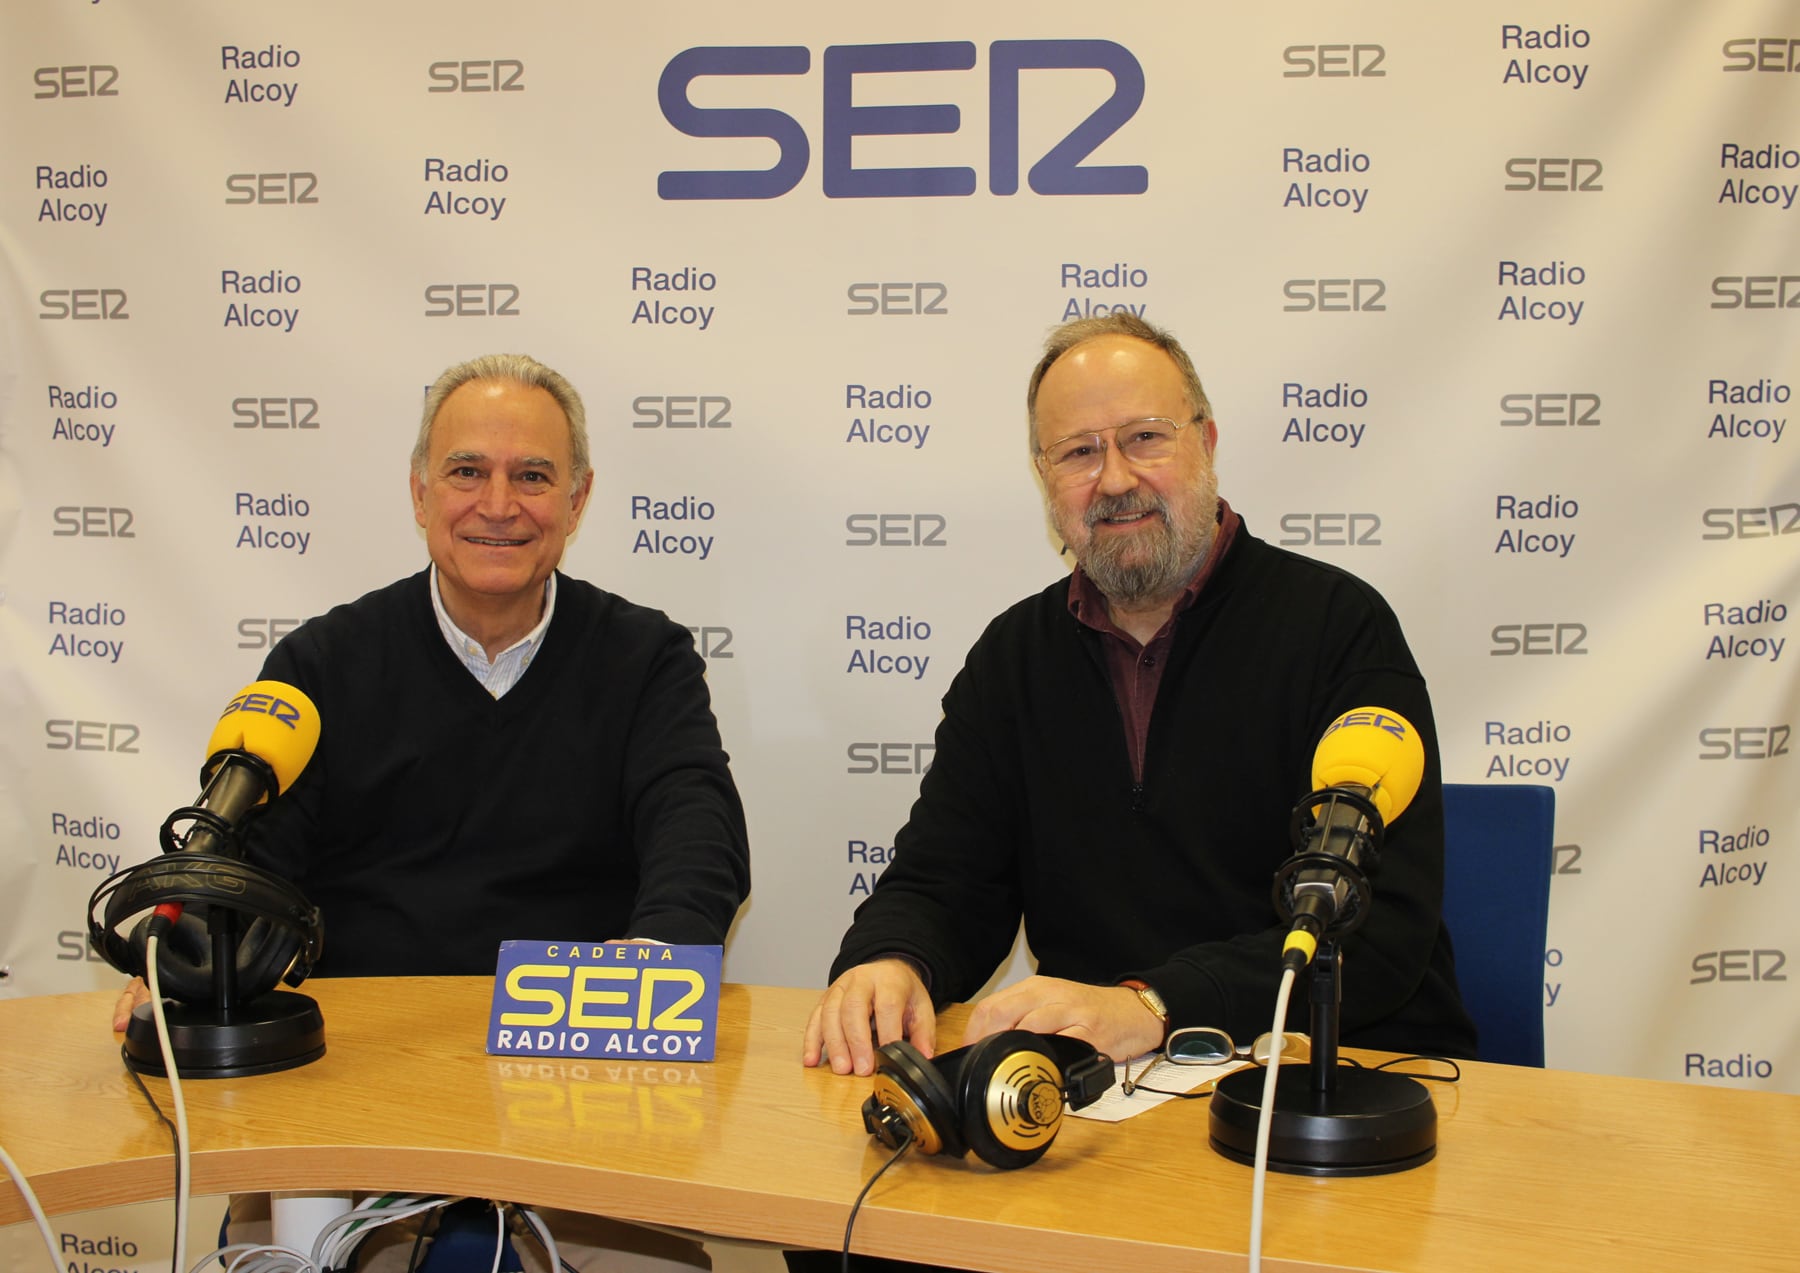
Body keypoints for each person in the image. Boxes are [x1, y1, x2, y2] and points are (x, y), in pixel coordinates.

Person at [113, 352, 751, 1271]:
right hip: (354, 1086)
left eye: (533, 476)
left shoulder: (647, 657)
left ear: (577, 500)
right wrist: (185, 961)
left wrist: (655, 958)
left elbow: (699, 831)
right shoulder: (320, 665)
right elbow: (250, 867)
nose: (499, 504)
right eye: (467, 471)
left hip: (579, 1082)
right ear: (419, 492)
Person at [803, 314, 1474, 1083]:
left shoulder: (1339, 628)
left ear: (1207, 444)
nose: (1116, 479)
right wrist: (893, 958)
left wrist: (1153, 1005)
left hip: (1341, 1079)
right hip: (1100, 1090)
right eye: (1079, 452)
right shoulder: (1011, 659)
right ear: (1045, 478)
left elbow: (1378, 933)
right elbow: (946, 879)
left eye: (1145, 438)